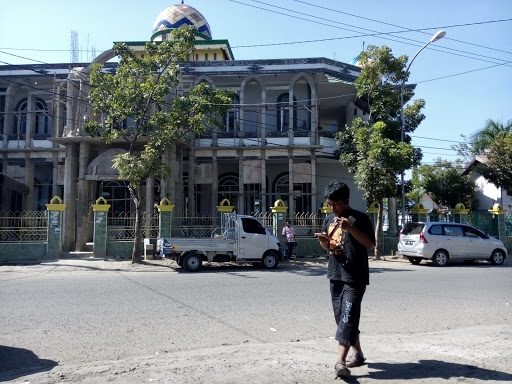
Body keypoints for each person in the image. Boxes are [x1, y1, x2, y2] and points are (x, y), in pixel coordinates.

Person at [314, 181, 375, 378]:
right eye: (329, 204)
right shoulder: (328, 220)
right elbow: (328, 248)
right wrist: (324, 242)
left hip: (355, 278)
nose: (332, 208)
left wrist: (351, 228)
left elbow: (370, 244)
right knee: (343, 320)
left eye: (335, 204)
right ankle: (358, 355)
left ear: (346, 201)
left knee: (347, 319)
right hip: (335, 276)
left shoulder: (360, 218)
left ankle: (340, 362)